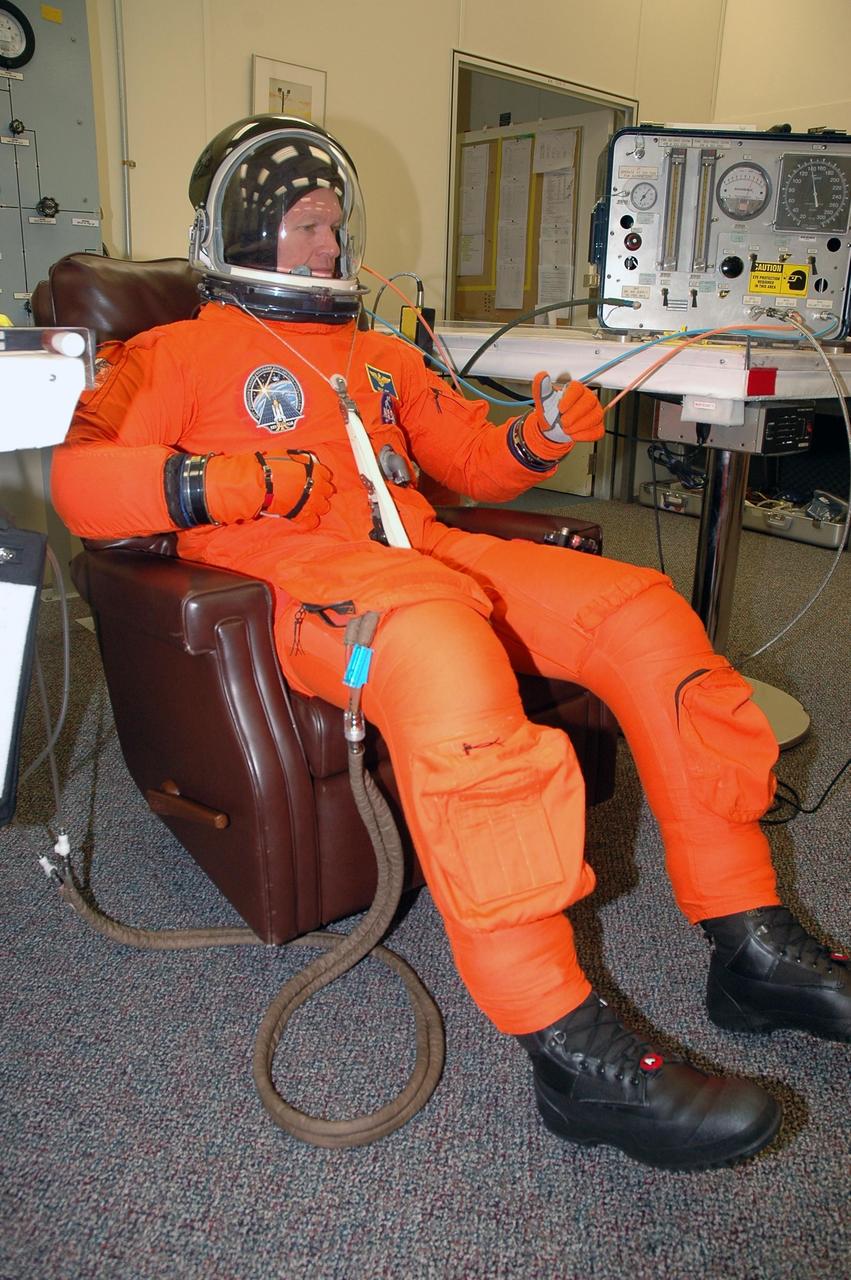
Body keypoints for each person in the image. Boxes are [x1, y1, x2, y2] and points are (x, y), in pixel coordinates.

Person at [52, 115, 849, 1171]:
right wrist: (208, 483)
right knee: (445, 652)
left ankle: (749, 940)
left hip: (427, 553)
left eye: (333, 228)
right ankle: (566, 1046)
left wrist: (541, 432)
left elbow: (469, 456)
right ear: (240, 229)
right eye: (303, 227)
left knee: (646, 614)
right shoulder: (173, 352)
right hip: (308, 591)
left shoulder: (381, 355)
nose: (327, 250)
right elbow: (81, 483)